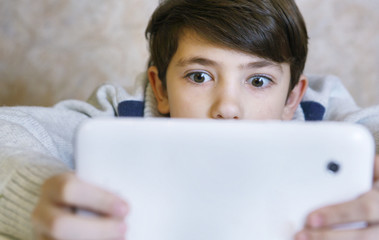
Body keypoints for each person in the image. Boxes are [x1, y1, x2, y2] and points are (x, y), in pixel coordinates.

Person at [0, 0, 378, 239]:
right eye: (200, 76)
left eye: (258, 81)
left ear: (291, 98)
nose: (227, 107)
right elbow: (10, 132)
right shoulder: (122, 114)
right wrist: (39, 196)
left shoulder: (324, 112)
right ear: (160, 89)